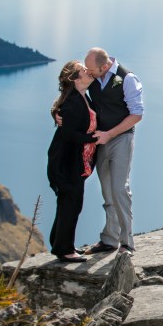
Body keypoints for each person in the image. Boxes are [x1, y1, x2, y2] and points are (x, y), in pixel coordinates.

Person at [81, 47, 144, 255]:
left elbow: (136, 114)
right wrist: (58, 113)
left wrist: (111, 134)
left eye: (91, 69)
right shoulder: (93, 76)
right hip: (101, 141)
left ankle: (127, 242)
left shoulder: (127, 79)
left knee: (119, 189)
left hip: (122, 139)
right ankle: (109, 239)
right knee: (107, 190)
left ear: (105, 66)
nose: (88, 72)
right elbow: (75, 90)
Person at [46, 61, 99, 262]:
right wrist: (95, 138)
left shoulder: (81, 97)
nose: (88, 71)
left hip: (74, 161)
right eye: (84, 70)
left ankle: (59, 244)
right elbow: (69, 135)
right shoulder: (74, 102)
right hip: (68, 163)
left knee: (68, 203)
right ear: (75, 78)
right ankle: (65, 249)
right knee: (71, 204)